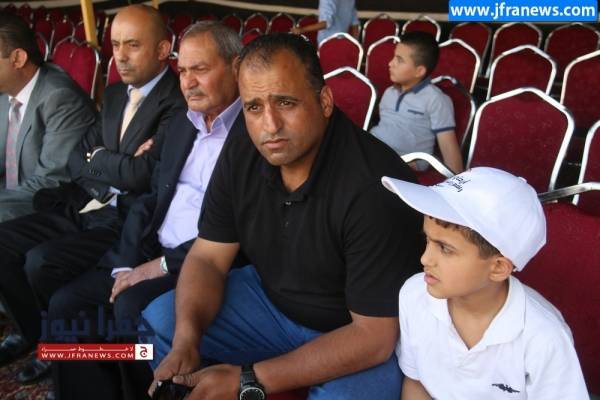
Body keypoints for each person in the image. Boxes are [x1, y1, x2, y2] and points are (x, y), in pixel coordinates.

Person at [144, 33, 422, 400]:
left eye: (286, 102)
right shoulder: (244, 146)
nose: (270, 125)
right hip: (271, 303)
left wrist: (249, 379)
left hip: (353, 328)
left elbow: (374, 338)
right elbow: (208, 257)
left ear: (324, 101)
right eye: (253, 107)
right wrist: (186, 342)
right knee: (162, 321)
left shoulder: (375, 186)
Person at [46, 20, 244, 400]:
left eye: (200, 69)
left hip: (202, 263)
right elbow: (151, 198)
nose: (188, 82)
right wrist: (125, 264)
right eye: (182, 71)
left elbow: (240, 231)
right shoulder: (183, 123)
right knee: (67, 304)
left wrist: (157, 267)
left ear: (236, 67)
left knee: (130, 308)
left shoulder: (252, 132)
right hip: (151, 248)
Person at [0, 4, 185, 386]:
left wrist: (99, 158)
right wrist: (112, 163)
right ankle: (41, 338)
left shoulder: (176, 101)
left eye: (133, 45)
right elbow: (76, 159)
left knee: (41, 263)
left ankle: (61, 349)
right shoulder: (115, 94)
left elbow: (143, 175)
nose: (121, 55)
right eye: (115, 45)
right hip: (86, 201)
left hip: (127, 218)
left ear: (163, 49)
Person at [381, 167, 589, 399]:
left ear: (498, 268)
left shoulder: (544, 337)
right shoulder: (414, 294)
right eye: (427, 240)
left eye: (445, 249)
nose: (425, 259)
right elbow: (416, 381)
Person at [0, 14, 96, 222]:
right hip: (11, 200)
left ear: (18, 58)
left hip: (47, 209)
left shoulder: (61, 98)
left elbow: (50, 183)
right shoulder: (6, 93)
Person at [370, 31, 463, 174]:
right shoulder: (389, 92)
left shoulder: (436, 99)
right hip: (373, 149)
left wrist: (457, 182)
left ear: (419, 71)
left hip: (404, 162)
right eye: (393, 57)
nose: (390, 63)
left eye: (399, 60)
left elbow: (448, 147)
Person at [291, 0, 360, 43]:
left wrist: (302, 30)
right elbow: (355, 24)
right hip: (343, 43)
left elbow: (326, 23)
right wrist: (355, 45)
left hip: (327, 44)